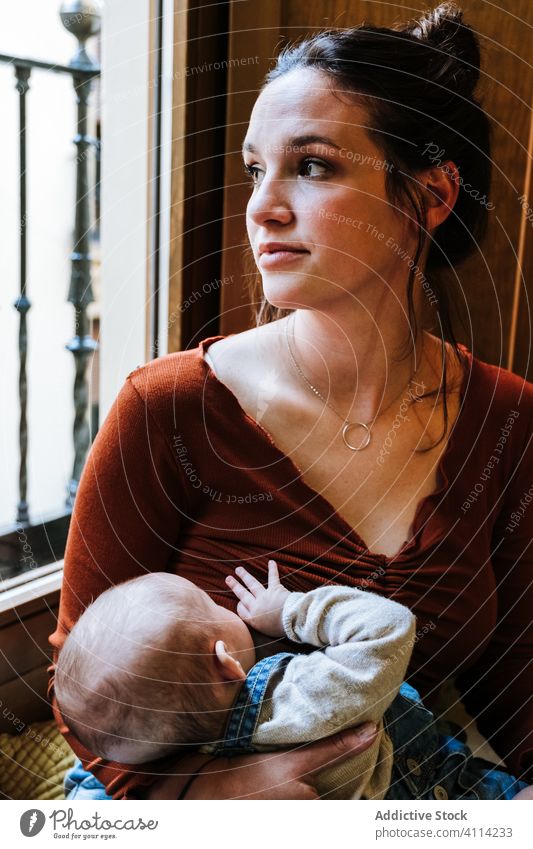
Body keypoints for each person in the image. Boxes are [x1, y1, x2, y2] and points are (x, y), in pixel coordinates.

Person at [49, 2, 532, 800]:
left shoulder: (507, 422)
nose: (263, 206)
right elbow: (82, 686)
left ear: (432, 193)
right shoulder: (167, 409)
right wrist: (220, 799)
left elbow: (516, 677)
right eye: (254, 169)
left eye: (311, 165)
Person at [54, 565, 530, 800]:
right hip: (434, 784)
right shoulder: (299, 695)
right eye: (212, 605)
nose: (228, 605)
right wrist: (288, 611)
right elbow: (388, 628)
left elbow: (89, 780)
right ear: (226, 665)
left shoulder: (176, 745)